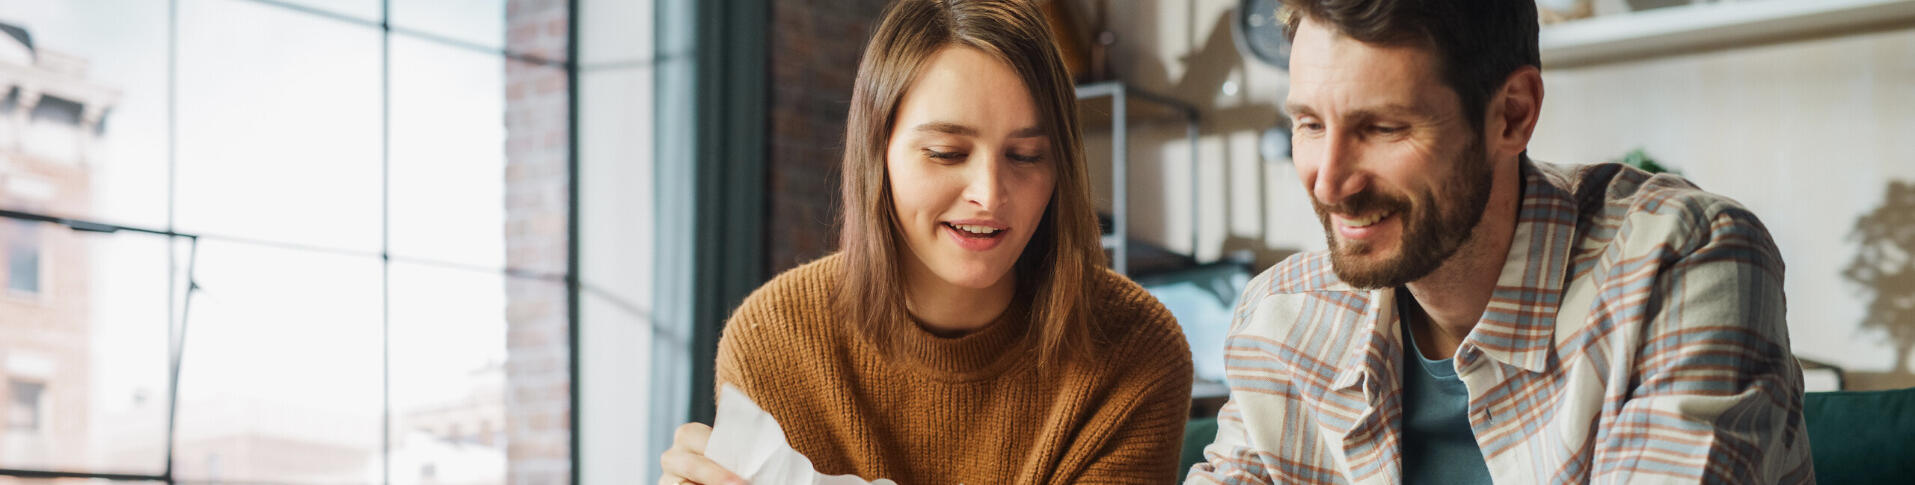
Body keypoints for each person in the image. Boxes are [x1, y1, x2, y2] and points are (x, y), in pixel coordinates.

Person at [1186, 1, 1814, 483]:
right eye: (1309, 124)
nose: (1328, 182)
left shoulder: (1682, 264)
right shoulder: (1281, 319)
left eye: (1381, 127)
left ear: (1512, 114)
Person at [658, 0, 1193, 483]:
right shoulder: (776, 338)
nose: (989, 194)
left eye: (1026, 156)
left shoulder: (1133, 348)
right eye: (945, 152)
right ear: (878, 152)